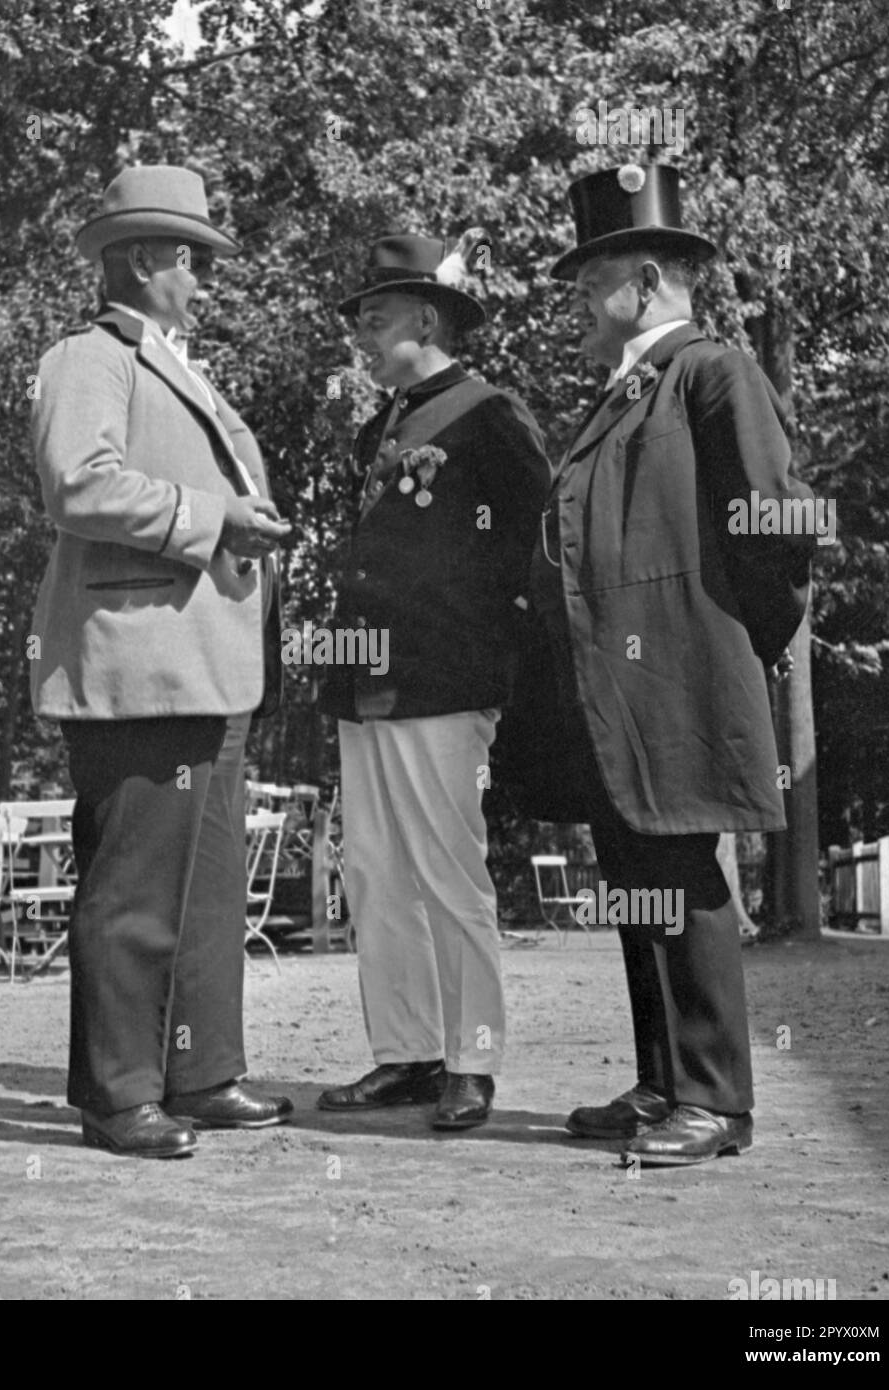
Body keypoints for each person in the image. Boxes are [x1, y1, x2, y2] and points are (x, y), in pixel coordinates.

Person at [523, 163, 816, 1165]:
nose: (572, 302)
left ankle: (715, 1100)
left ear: (642, 281)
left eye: (585, 281)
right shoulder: (628, 388)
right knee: (636, 876)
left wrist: (735, 646)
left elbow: (774, 527)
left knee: (681, 872)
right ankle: (661, 1083)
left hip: (678, 674)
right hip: (616, 687)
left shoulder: (709, 370)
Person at [29, 165, 293, 1159]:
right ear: (144, 261)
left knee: (208, 887)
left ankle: (201, 1070)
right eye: (195, 261)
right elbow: (78, 487)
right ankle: (117, 1093)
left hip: (207, 663)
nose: (206, 282)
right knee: (135, 889)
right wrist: (214, 517)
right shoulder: (86, 358)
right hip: (137, 663)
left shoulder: (170, 363)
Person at [316, 232, 551, 1130]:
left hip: (444, 680)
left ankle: (472, 1058)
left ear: (426, 316)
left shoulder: (490, 414)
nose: (363, 338)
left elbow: (536, 547)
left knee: (449, 872)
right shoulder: (384, 421)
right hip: (365, 681)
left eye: (374, 320)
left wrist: (493, 661)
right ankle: (407, 1052)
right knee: (374, 870)